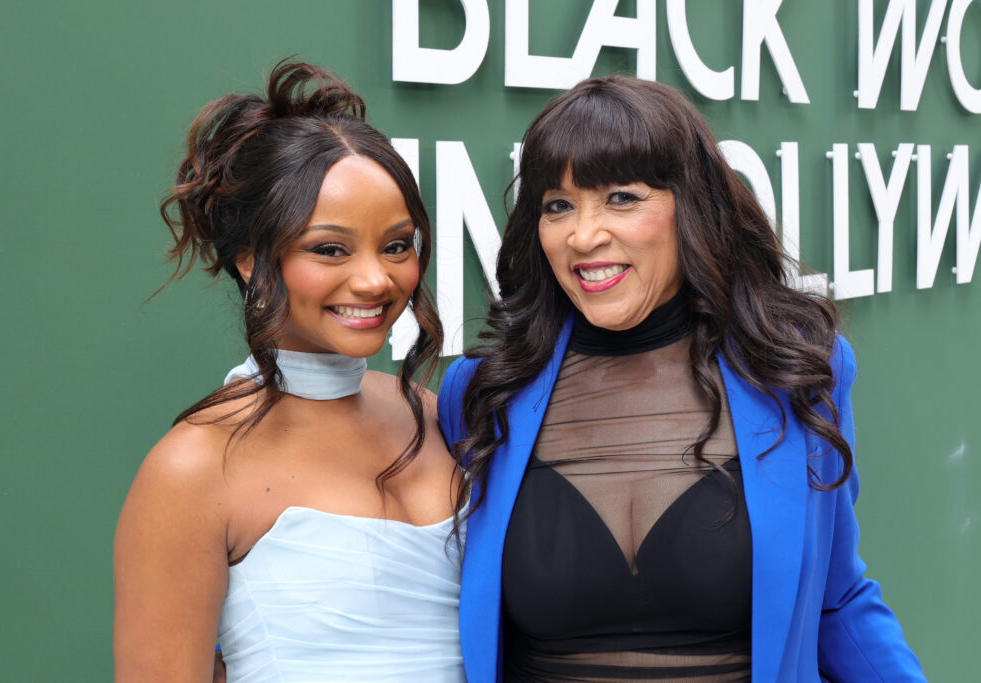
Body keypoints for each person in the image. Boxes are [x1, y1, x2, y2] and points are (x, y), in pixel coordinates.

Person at [438, 76, 926, 681]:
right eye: (557, 205)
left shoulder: (794, 371)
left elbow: (837, 600)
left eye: (621, 197)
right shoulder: (483, 396)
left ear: (690, 205)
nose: (583, 235)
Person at [113, 60, 465, 682]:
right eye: (330, 248)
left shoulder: (436, 414)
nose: (375, 279)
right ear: (251, 260)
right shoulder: (193, 467)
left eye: (397, 244)